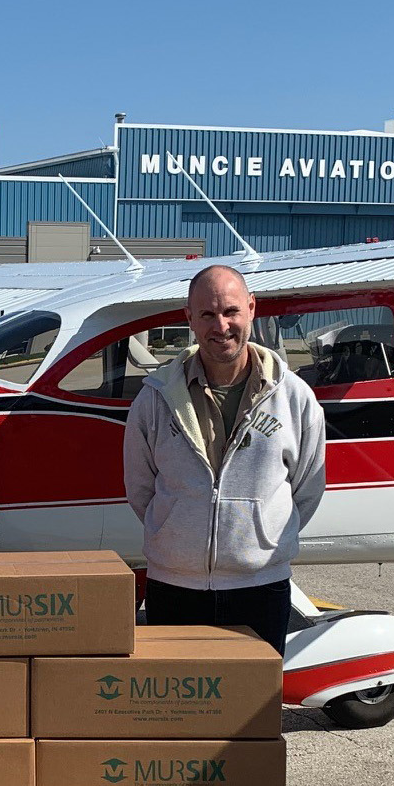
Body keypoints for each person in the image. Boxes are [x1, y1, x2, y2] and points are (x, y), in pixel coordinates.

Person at [123, 265, 326, 652]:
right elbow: (140, 488)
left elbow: (307, 487)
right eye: (207, 314)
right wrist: (178, 535)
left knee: (254, 695)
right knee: (180, 693)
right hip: (174, 588)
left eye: (231, 311)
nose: (221, 326)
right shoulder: (154, 399)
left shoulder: (295, 397)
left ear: (251, 308)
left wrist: (260, 539)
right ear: (189, 318)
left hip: (260, 589)